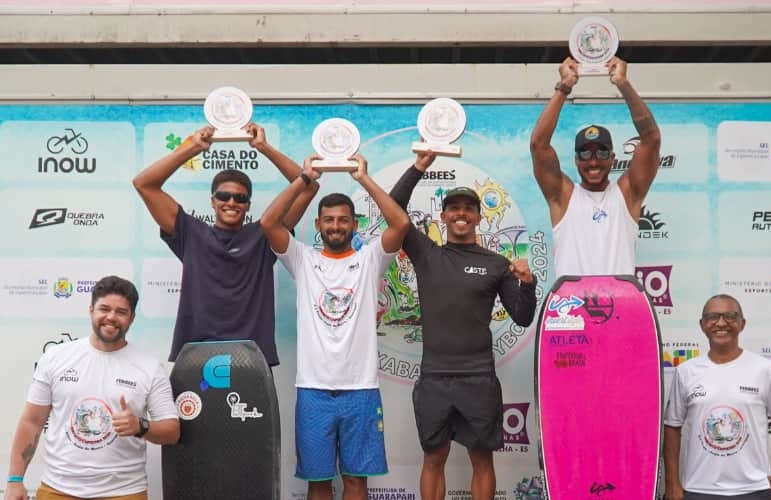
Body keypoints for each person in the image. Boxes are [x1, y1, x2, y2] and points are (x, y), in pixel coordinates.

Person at [260, 153, 409, 500]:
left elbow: (400, 225)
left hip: (361, 389)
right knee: (319, 482)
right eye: (328, 220)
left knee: (357, 480)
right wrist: (304, 179)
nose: (336, 226)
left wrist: (363, 179)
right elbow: (269, 223)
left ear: (354, 225)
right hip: (313, 390)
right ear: (317, 225)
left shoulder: (370, 259)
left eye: (343, 220)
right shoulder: (302, 259)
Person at [389, 151, 537, 500]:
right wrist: (419, 166)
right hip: (434, 378)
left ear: (478, 217)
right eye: (453, 207)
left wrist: (527, 284)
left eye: (467, 208)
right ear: (443, 215)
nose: (460, 213)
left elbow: (523, 316)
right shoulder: (427, 254)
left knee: (482, 459)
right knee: (434, 458)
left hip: (478, 378)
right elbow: (393, 206)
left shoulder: (497, 264)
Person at [132, 123, 318, 365]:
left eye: (240, 198)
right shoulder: (190, 233)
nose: (232, 202)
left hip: (251, 357)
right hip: (197, 356)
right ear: (212, 201)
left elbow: (308, 188)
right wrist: (191, 148)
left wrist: (264, 147)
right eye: (223, 196)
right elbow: (143, 184)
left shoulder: (264, 234)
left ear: (248, 204)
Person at [4, 276, 179, 500]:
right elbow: (32, 422)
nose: (111, 317)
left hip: (124, 492)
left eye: (121, 312)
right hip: (57, 490)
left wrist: (140, 426)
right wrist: (15, 481)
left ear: (132, 318)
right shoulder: (56, 358)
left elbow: (172, 431)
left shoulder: (149, 368)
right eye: (104, 308)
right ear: (91, 310)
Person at [530, 56, 661, 277]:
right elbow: (538, 145)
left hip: (620, 303)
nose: (593, 161)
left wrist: (623, 83)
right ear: (576, 160)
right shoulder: (563, 196)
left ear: (612, 158)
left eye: (601, 153)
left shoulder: (628, 194)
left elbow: (651, 139)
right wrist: (564, 88)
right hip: (572, 306)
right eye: (585, 153)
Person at [663, 294, 771, 500]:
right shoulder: (686, 372)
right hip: (699, 490)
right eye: (712, 317)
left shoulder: (765, 370)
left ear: (742, 324)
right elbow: (672, 428)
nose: (721, 323)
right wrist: (672, 483)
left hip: (754, 490)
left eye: (730, 316)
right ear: (702, 325)